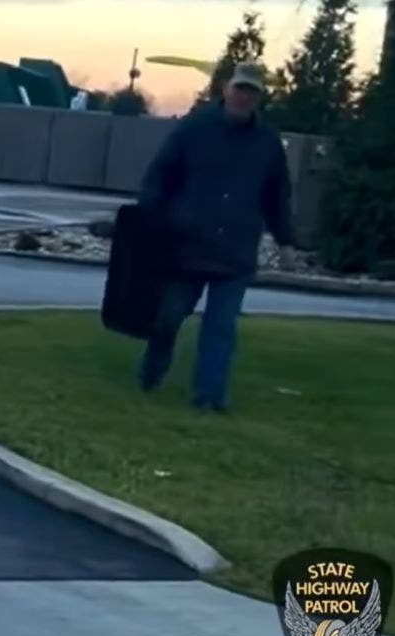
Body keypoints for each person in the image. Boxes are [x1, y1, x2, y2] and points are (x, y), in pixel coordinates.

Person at [135, 61, 297, 413]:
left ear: (259, 97)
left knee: (221, 327)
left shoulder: (267, 143)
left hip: (235, 251)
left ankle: (209, 398)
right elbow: (161, 174)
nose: (244, 96)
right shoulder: (194, 129)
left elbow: (276, 196)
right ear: (226, 89)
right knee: (169, 318)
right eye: (240, 88)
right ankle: (151, 371)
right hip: (187, 244)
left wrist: (285, 241)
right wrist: (149, 216)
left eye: (251, 91)